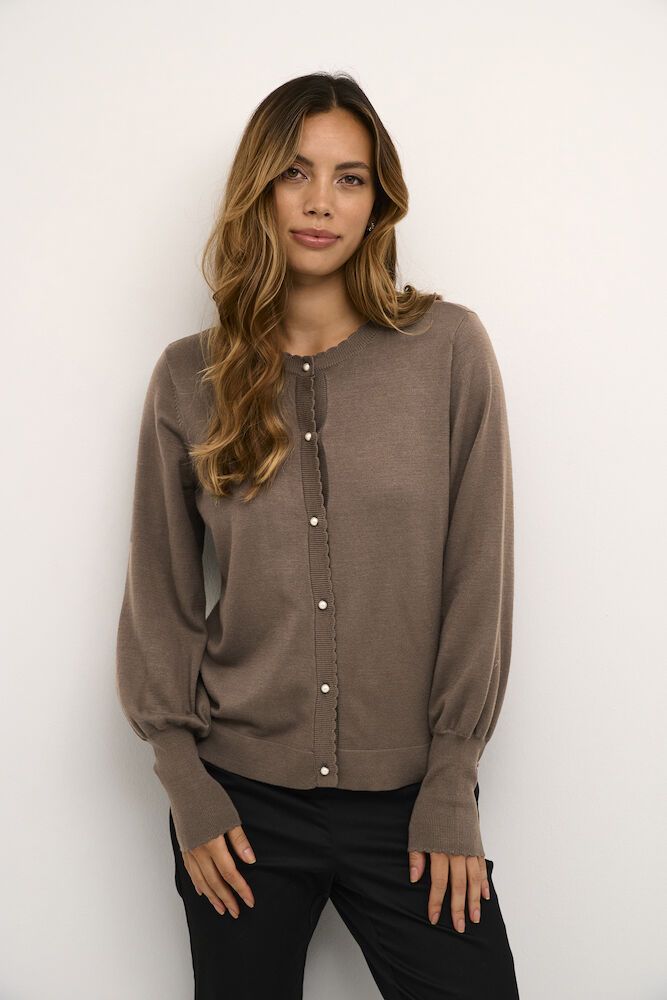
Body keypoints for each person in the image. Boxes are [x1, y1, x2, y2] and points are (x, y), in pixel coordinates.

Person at [116, 71, 520, 999]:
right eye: (295, 172)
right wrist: (185, 784)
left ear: (378, 202)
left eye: (349, 178)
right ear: (258, 188)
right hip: (238, 805)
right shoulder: (188, 379)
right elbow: (161, 595)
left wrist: (451, 778)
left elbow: (479, 577)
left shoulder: (448, 351)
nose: (320, 202)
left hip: (411, 804)